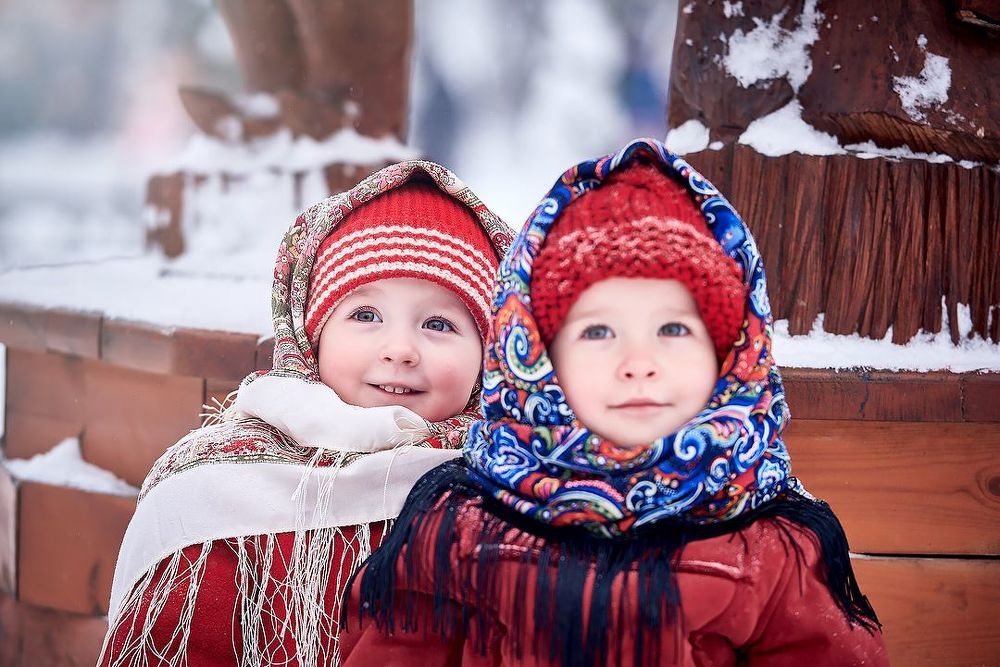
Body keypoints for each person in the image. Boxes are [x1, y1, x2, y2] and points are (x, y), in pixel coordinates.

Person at [341, 139, 888, 666]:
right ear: (536, 355)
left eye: (673, 328)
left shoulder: (767, 543)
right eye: (598, 332)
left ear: (728, 355)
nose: (637, 362)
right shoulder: (459, 523)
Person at [98, 160, 512, 666]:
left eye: (439, 323)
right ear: (311, 335)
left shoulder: (513, 495)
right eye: (365, 315)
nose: (400, 348)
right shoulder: (223, 488)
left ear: (491, 354)